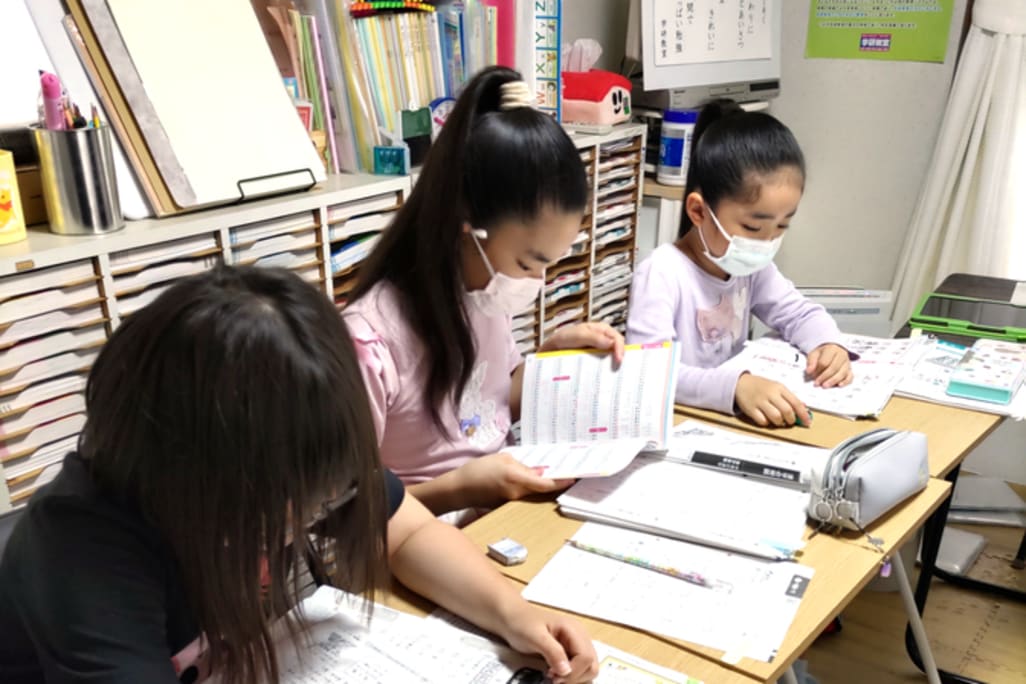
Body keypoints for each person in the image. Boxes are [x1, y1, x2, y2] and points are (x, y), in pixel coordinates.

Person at [0, 267, 597, 684]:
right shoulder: (82, 553)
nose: (316, 512)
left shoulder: (292, 449)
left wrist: (513, 615)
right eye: (297, 505)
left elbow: (406, 532)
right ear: (199, 475)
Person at [344, 67, 624, 522]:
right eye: (528, 263)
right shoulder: (369, 342)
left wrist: (549, 362)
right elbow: (348, 518)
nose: (537, 282)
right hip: (420, 538)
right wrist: (462, 488)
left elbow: (485, 409)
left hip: (501, 512)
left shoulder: (480, 293)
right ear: (466, 226)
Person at [626, 100, 853, 428]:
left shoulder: (751, 267)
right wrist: (735, 387)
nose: (767, 242)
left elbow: (798, 313)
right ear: (699, 211)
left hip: (730, 423)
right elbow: (648, 370)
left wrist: (827, 342)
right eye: (752, 227)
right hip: (679, 426)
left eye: (782, 226)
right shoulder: (662, 272)